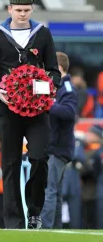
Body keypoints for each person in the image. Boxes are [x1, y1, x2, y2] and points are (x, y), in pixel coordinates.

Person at [0, 0, 61, 229]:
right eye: (18, 10)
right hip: (8, 110)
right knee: (10, 163)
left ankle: (34, 211)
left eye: (27, 10)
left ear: (32, 9)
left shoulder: (43, 33)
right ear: (10, 10)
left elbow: (54, 70)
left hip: (37, 111)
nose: (23, 14)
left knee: (39, 157)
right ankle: (13, 220)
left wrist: (49, 88)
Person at [41, 52, 78, 229]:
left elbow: (69, 113)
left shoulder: (67, 88)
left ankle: (46, 230)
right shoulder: (55, 86)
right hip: (55, 147)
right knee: (54, 192)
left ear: (59, 68)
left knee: (49, 190)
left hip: (58, 148)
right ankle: (54, 231)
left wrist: (48, 104)